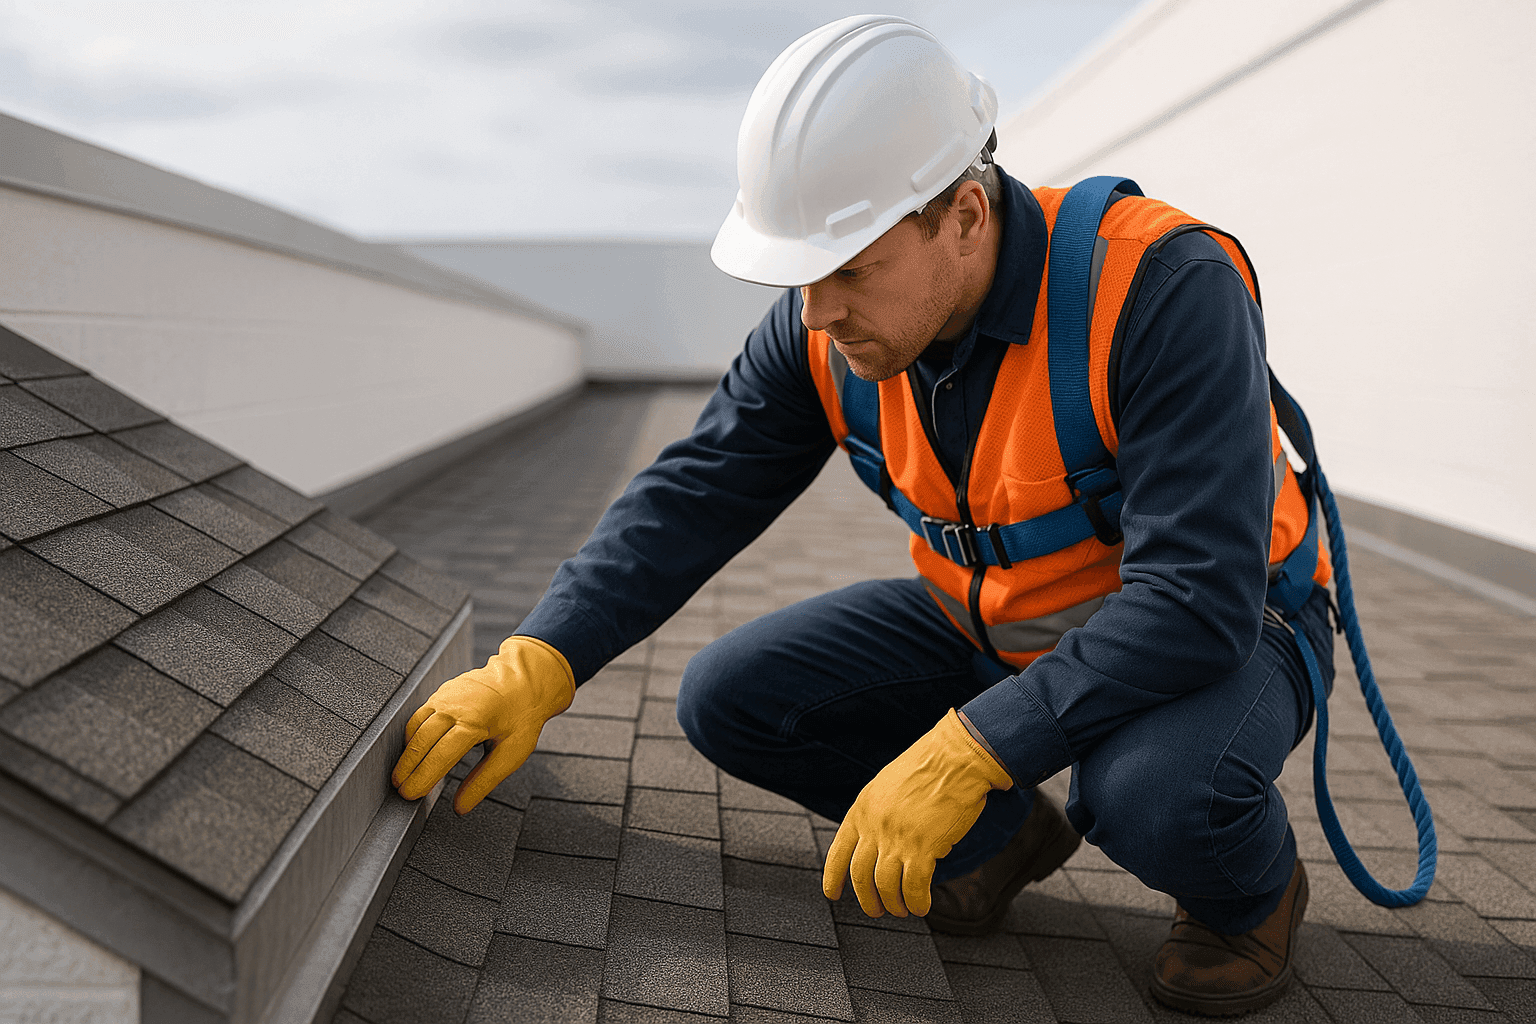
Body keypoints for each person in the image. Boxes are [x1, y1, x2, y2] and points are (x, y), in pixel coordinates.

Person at [390, 15, 1335, 1017]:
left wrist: (970, 746)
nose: (816, 312)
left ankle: (1248, 897)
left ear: (965, 215)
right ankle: (997, 842)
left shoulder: (1161, 289)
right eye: (801, 273)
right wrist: (542, 656)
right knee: (734, 695)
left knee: (1157, 795)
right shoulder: (824, 325)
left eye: (849, 269)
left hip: (1224, 634)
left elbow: (1195, 600)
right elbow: (697, 489)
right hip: (991, 621)